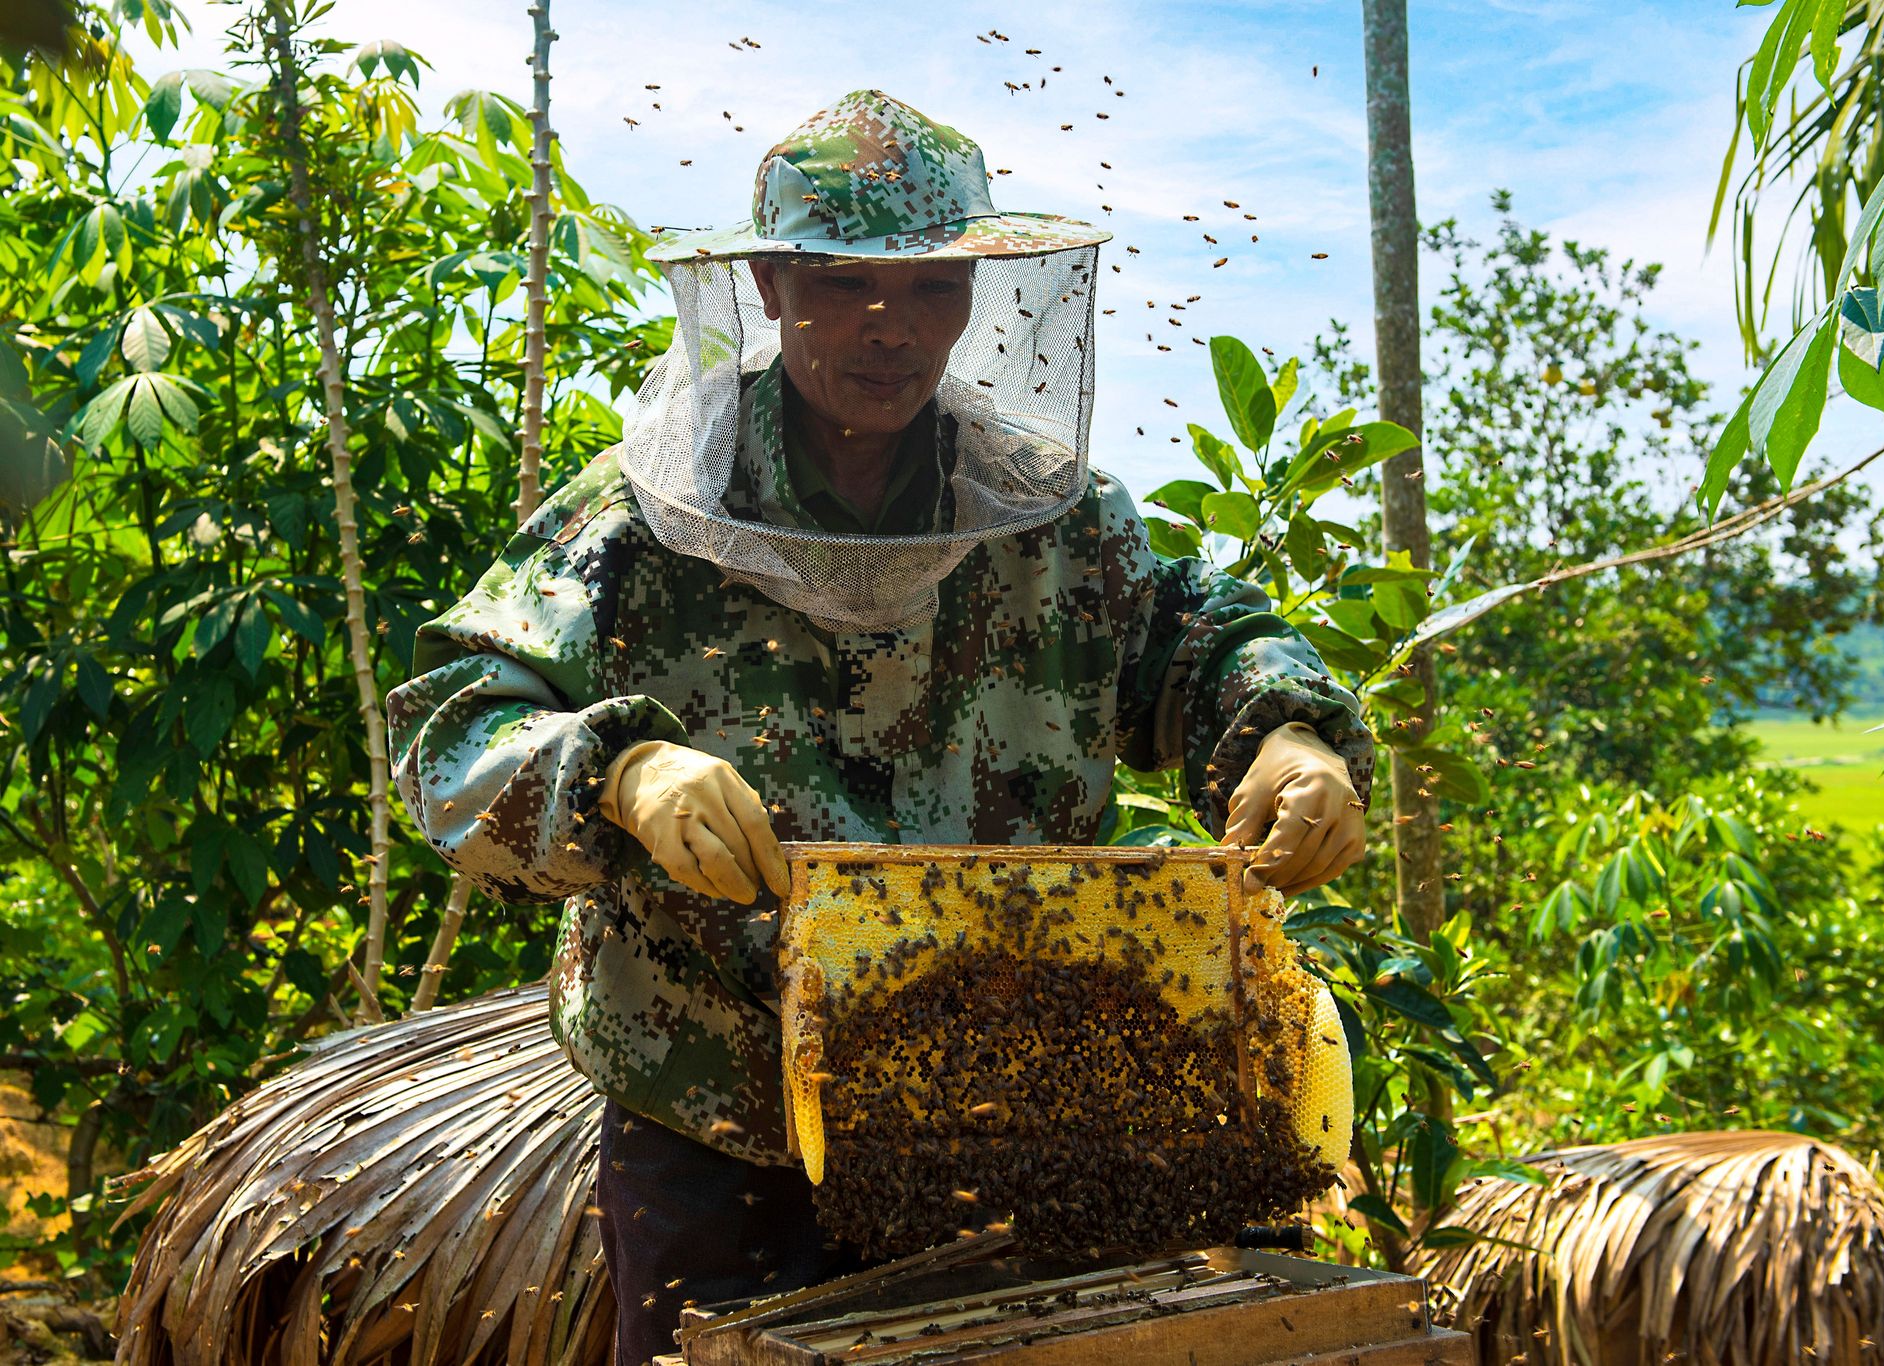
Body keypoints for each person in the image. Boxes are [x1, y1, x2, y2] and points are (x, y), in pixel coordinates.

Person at [385, 89, 1373, 1366]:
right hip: (720, 1114)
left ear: (973, 294)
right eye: (840, 280)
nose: (886, 326)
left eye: (926, 287)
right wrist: (621, 773)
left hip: (1015, 1107)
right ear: (767, 280)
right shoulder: (644, 516)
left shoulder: (1047, 511)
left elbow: (1197, 636)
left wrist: (1283, 733)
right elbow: (449, 734)